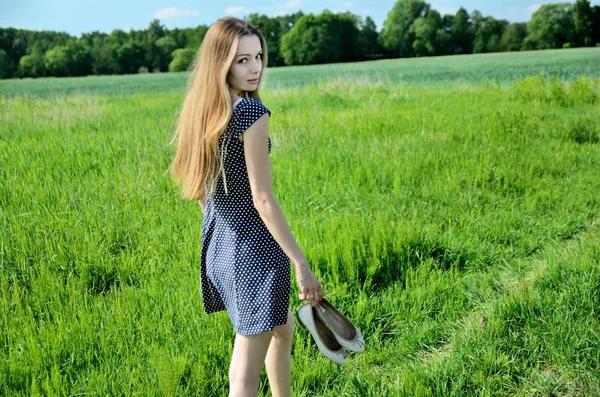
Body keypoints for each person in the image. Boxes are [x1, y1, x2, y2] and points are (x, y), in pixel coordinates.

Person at [169, 16, 323, 397]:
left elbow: (199, 189)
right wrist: (301, 266)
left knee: (282, 327)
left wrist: (222, 228)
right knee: (243, 372)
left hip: (219, 247)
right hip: (253, 251)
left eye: (258, 56)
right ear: (221, 63)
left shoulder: (202, 109)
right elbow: (263, 198)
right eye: (242, 60)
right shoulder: (251, 114)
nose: (254, 68)